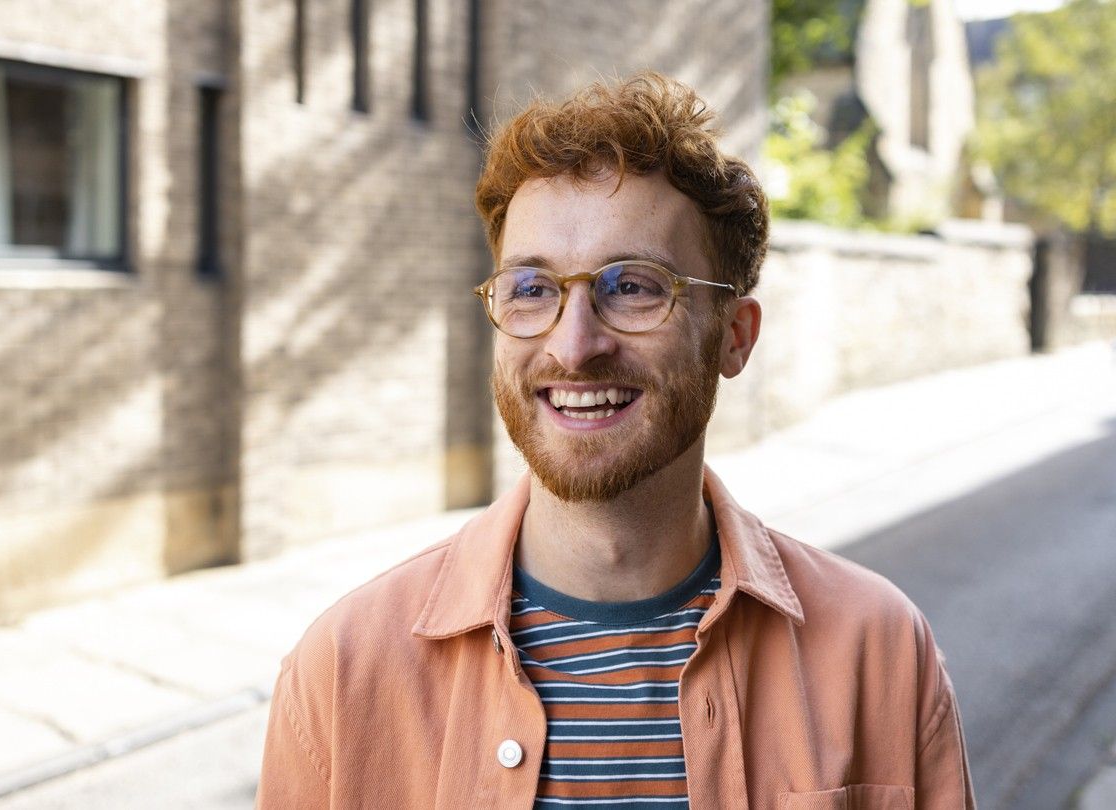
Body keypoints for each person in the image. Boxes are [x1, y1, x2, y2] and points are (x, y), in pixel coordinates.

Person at [255, 72, 975, 809]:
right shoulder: (342, 675)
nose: (574, 346)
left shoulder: (880, 654)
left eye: (632, 286)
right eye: (531, 289)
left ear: (734, 336)